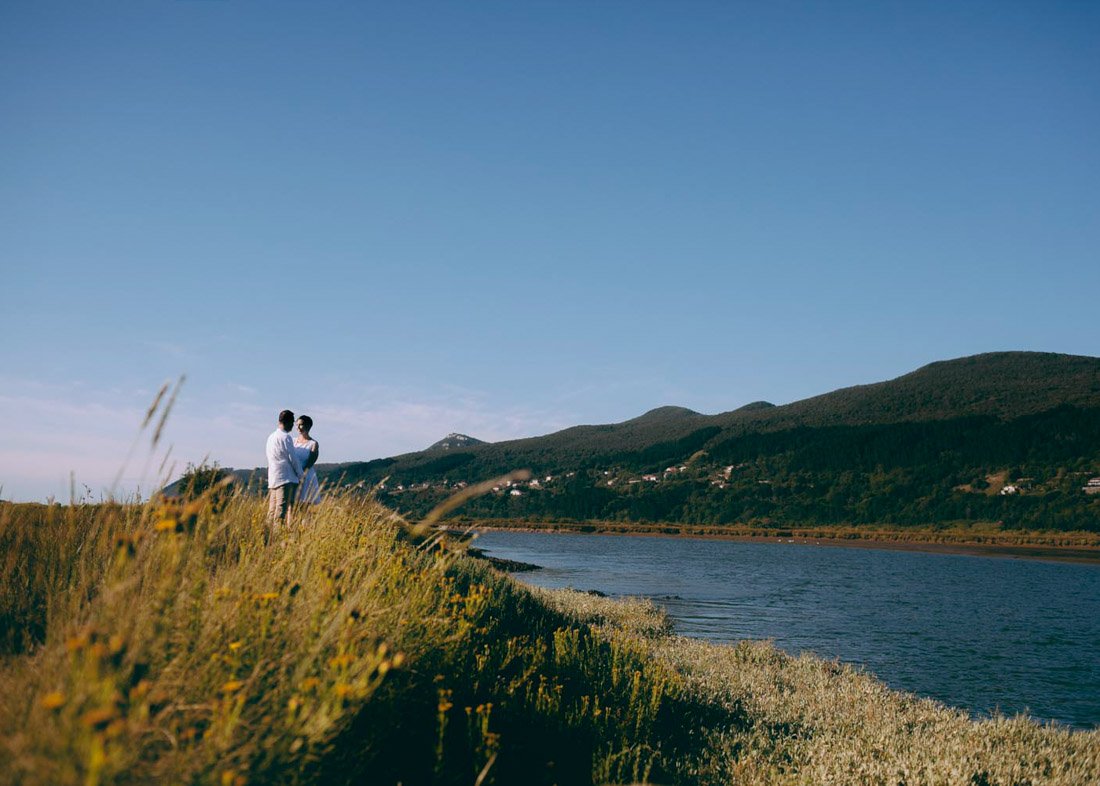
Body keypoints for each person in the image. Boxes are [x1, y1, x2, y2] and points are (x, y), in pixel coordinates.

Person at [266, 409, 303, 529]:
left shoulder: (270, 437)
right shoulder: (286, 437)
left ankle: (266, 535)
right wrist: (300, 474)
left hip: (273, 477)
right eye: (292, 423)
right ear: (287, 422)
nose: (293, 426)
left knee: (272, 510)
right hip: (285, 478)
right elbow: (293, 458)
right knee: (280, 511)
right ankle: (276, 539)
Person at [293, 414, 321, 505]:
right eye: (297, 425)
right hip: (293, 474)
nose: (298, 427)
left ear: (308, 426)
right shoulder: (292, 441)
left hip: (306, 475)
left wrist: (300, 474)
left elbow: (310, 463)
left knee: (304, 504)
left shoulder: (313, 444)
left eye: (301, 425)